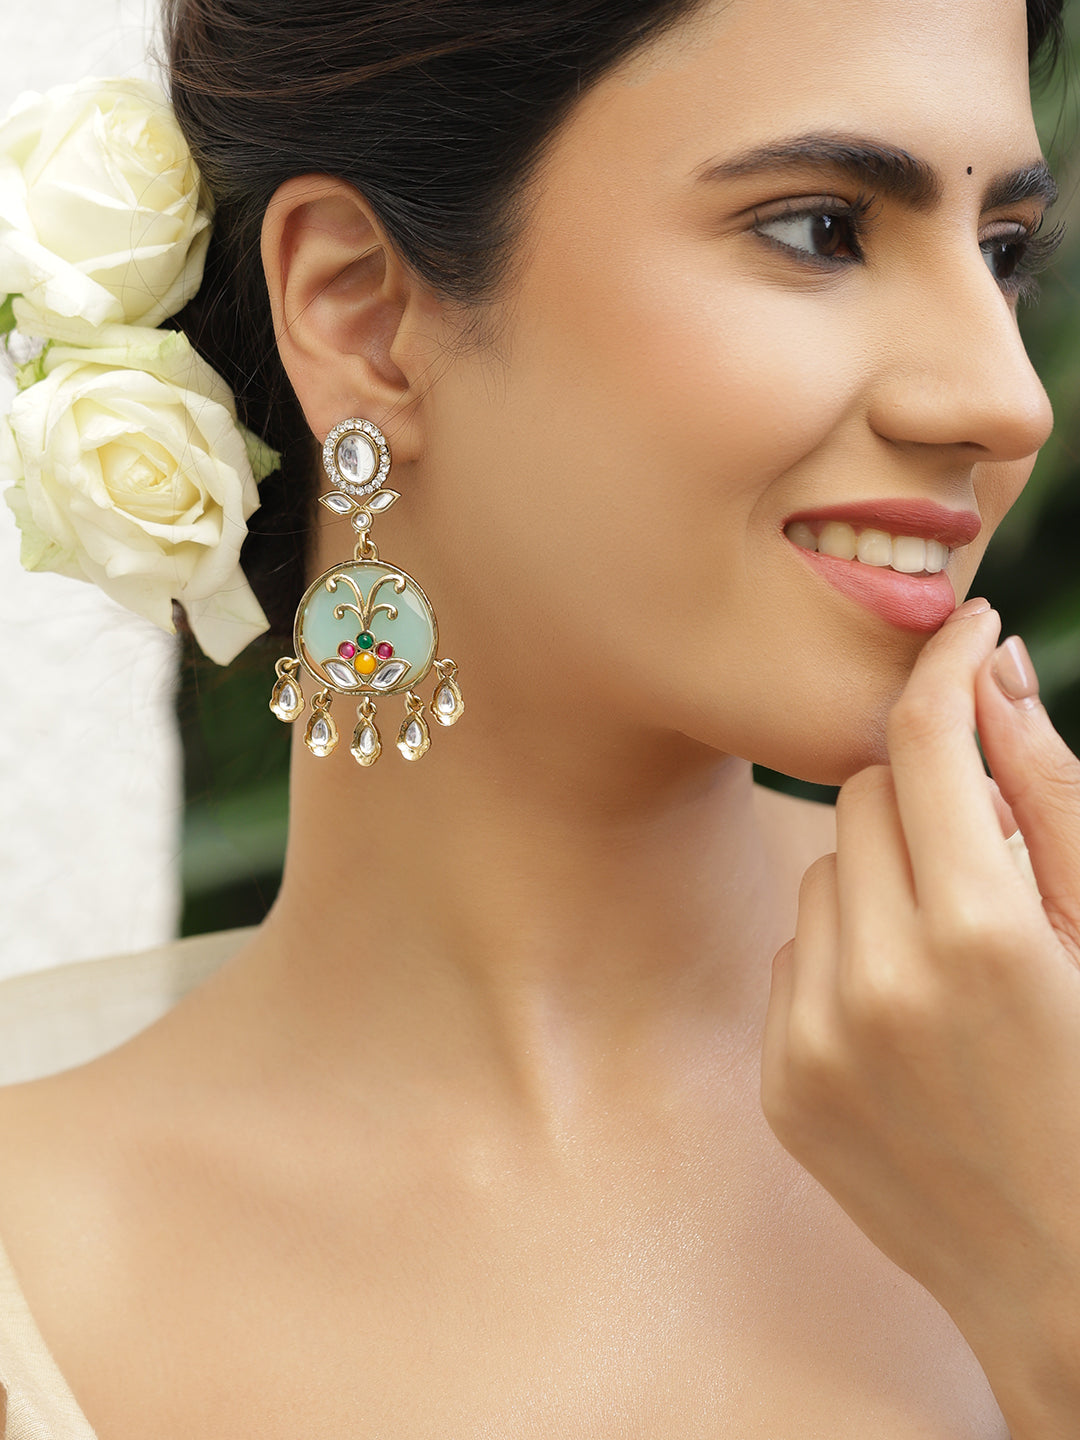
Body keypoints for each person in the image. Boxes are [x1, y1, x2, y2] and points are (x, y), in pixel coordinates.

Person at [0, 0, 1078, 1434]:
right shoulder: (37, 1284)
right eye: (821, 229)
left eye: (1001, 251)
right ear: (362, 314)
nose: (1007, 400)